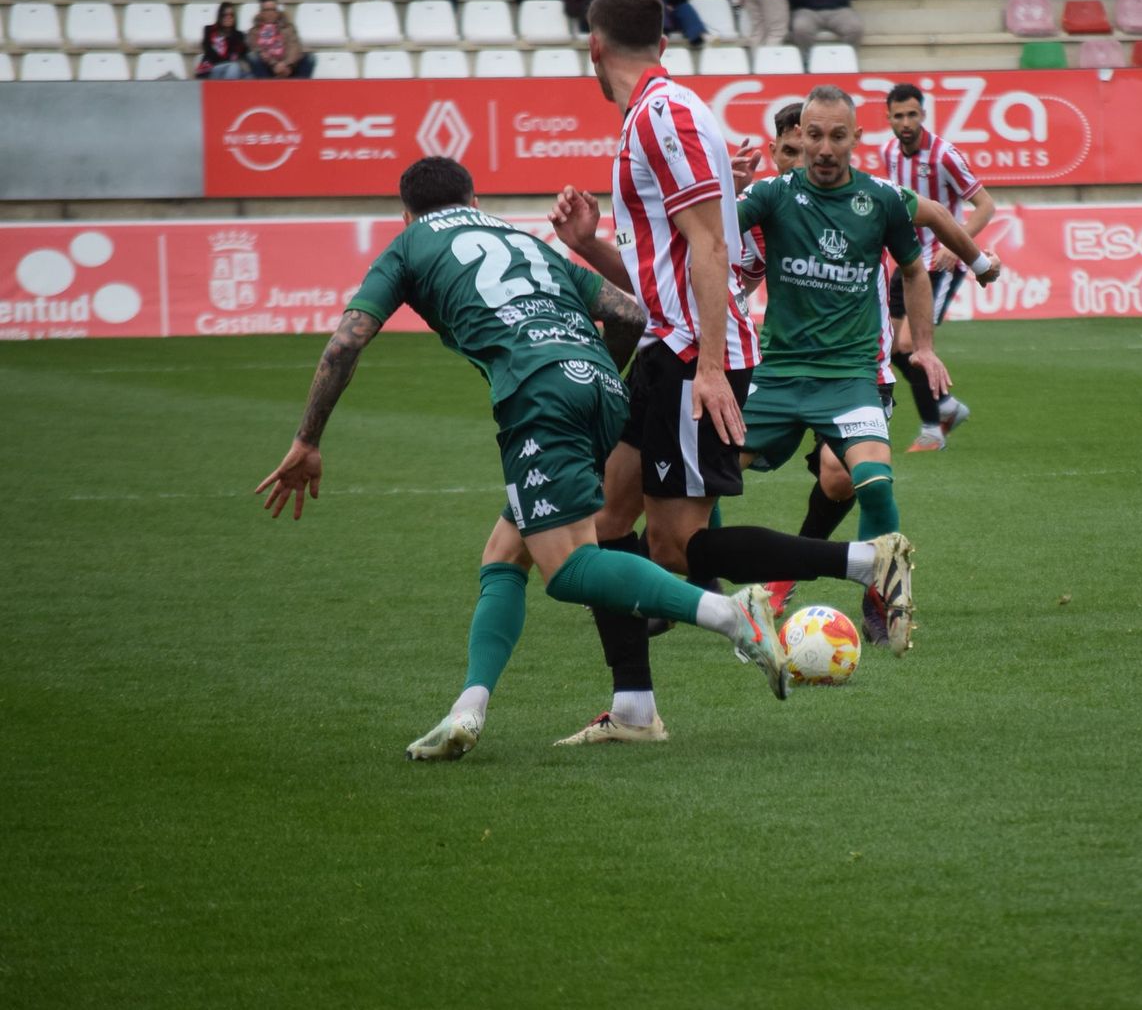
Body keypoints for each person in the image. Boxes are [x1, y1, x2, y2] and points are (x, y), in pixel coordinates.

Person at [254, 157, 791, 761]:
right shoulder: (515, 235)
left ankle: (730, 613)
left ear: (406, 215)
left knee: (567, 572)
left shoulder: (407, 246)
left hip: (538, 396)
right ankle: (467, 709)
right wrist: (591, 378)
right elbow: (629, 314)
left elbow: (348, 339)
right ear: (474, 200)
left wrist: (307, 440)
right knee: (504, 553)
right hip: (600, 385)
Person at [545, 0, 916, 743]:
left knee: (680, 547)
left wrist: (710, 366)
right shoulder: (658, 114)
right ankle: (634, 710)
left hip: (688, 356)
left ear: (593, 46)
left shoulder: (664, 115)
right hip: (665, 347)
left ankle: (862, 562)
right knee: (608, 520)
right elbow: (671, 268)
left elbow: (713, 248)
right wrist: (589, 247)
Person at [739, 103, 1001, 621]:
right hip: (783, 369)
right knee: (701, 474)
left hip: (859, 369)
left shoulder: (876, 198)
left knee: (843, 477)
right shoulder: (766, 200)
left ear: (852, 138)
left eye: (831, 138)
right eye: (799, 145)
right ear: (776, 151)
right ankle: (702, 581)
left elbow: (935, 225)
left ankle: (867, 596)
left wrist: (978, 263)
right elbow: (713, 247)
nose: (817, 152)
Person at [881, 83, 994, 453]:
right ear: (890, 119)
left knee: (913, 343)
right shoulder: (889, 153)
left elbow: (985, 205)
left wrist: (955, 241)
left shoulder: (944, 155)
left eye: (912, 114)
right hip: (908, 260)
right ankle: (945, 405)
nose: (906, 122)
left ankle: (933, 429)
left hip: (941, 262)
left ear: (923, 115)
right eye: (899, 116)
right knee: (890, 346)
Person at [246, 0, 315, 79]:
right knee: (253, 56)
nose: (270, 13)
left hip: (289, 67)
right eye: (267, 10)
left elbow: (295, 47)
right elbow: (259, 51)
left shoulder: (288, 27)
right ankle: (266, 88)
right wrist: (274, 64)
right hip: (269, 68)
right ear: (261, 12)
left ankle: (299, 88)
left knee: (310, 57)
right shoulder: (254, 32)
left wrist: (287, 64)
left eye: (273, 10)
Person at [195, 2, 250, 80]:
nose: (228, 18)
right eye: (224, 15)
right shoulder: (209, 30)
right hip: (211, 68)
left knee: (248, 75)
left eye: (231, 15)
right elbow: (208, 52)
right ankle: (228, 91)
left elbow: (243, 53)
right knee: (234, 66)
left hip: (231, 69)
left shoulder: (238, 35)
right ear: (219, 16)